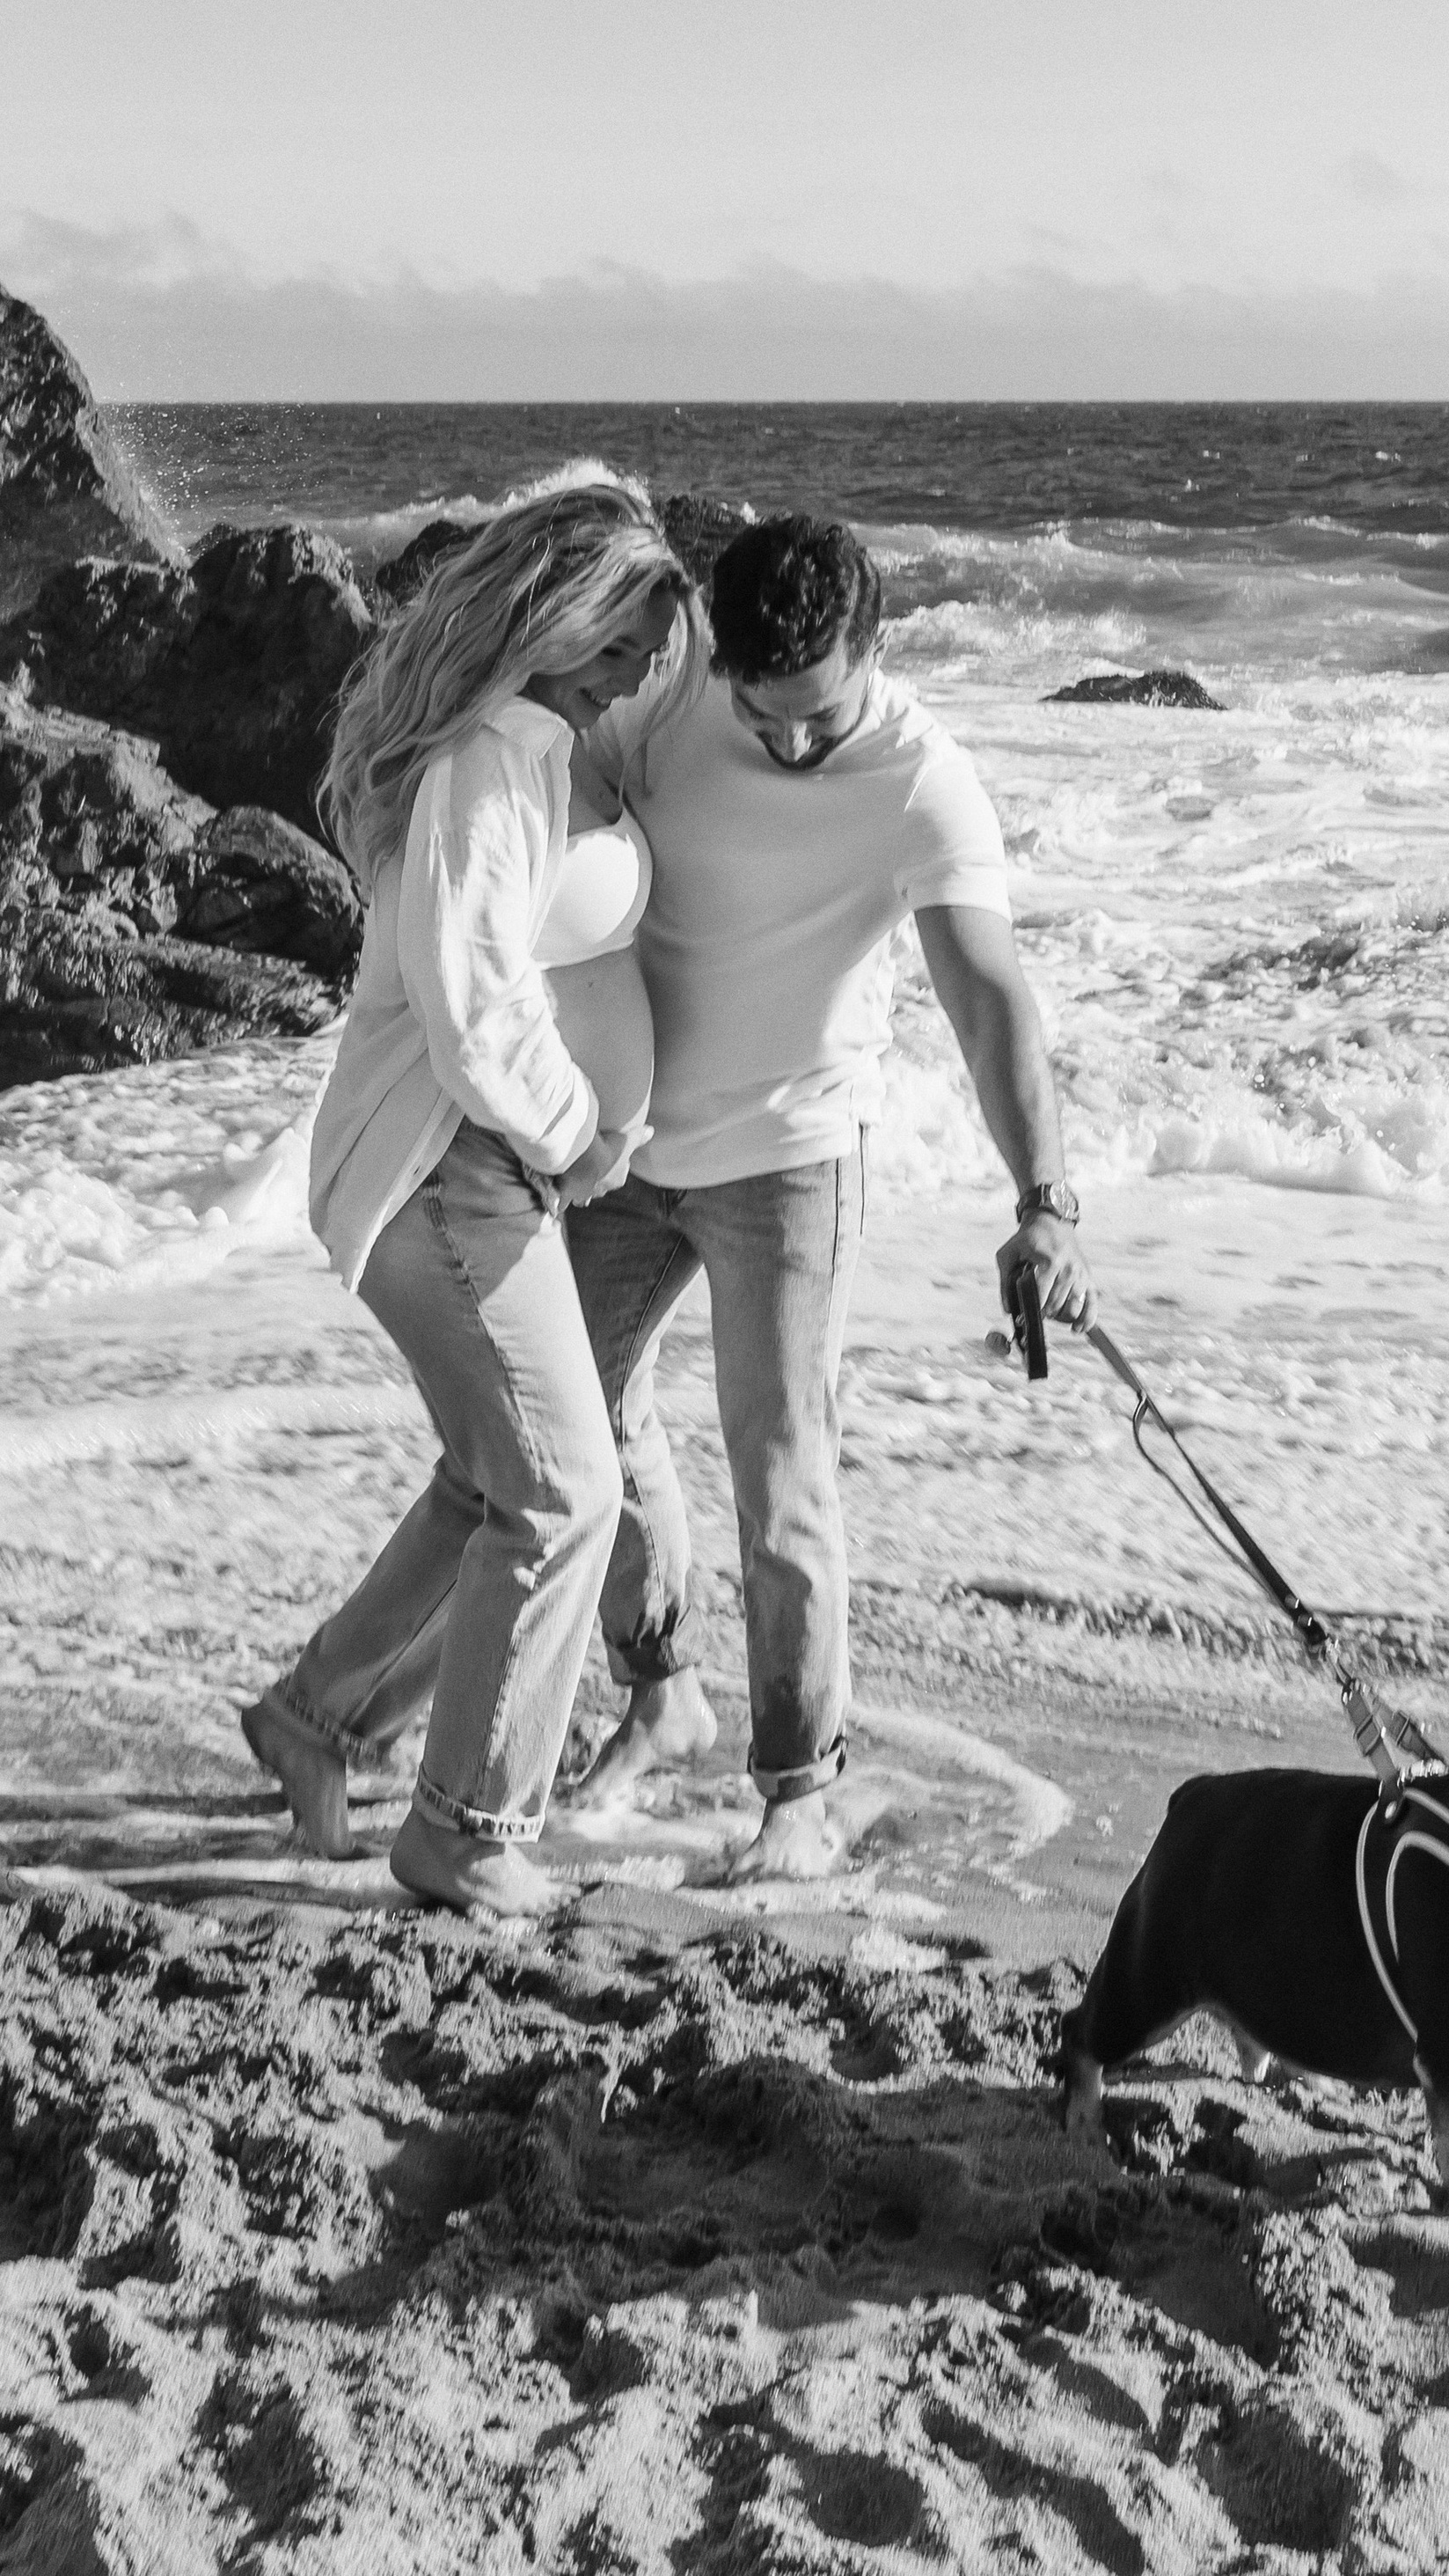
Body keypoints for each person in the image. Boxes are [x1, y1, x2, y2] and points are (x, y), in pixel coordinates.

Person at [566, 511, 1097, 1879]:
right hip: (617, 1145)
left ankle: (799, 1792)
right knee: (574, 1417)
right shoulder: (675, 687)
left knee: (779, 1466)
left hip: (791, 1160)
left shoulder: (924, 782)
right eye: (769, 715)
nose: (795, 744)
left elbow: (990, 1005)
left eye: (822, 716)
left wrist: (1047, 1200)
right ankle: (660, 1686)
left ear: (878, 646)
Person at [240, 476, 694, 1917]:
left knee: (493, 1480)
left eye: (645, 654)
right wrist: (575, 1134)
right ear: (553, 621)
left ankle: (318, 1719)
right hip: (455, 1176)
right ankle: (467, 1831)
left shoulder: (535, 746)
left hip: (488, 1177)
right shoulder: (490, 766)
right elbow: (472, 1008)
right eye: (619, 644)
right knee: (563, 1495)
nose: (632, 677)